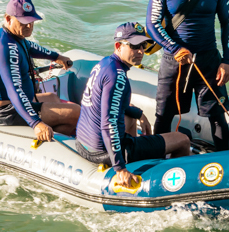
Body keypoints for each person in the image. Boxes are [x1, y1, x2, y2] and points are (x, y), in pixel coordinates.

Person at [75, 22, 191, 190]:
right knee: (182, 140)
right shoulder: (117, 77)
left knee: (129, 119)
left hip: (83, 144)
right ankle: (172, 186)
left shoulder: (105, 64)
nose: (140, 51)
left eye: (143, 46)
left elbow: (110, 106)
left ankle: (138, 159)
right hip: (103, 152)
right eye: (134, 46)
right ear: (118, 46)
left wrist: (139, 114)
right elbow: (109, 124)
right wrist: (120, 168)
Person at [146, 0, 229, 150]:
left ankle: (225, 159)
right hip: (174, 61)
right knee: (163, 115)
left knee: (217, 116)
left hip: (208, 61)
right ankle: (158, 160)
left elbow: (227, 24)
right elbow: (152, 24)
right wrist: (174, 48)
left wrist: (227, 61)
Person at [0, 0, 80, 142]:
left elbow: (30, 46)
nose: (30, 26)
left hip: (9, 104)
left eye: (32, 21)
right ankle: (53, 141)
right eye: (24, 22)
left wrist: (56, 57)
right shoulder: (6, 48)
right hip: (3, 112)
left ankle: (56, 132)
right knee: (76, 112)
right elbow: (15, 90)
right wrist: (36, 123)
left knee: (52, 98)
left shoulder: (7, 35)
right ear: (8, 19)